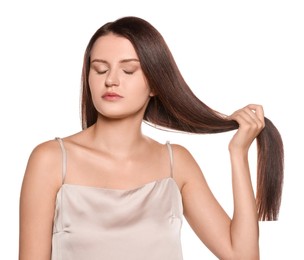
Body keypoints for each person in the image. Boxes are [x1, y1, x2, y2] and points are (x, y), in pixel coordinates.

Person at [19, 16, 284, 260]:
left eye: (129, 70)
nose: (111, 80)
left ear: (155, 83)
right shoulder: (51, 160)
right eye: (100, 69)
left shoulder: (175, 163)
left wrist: (238, 154)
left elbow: (243, 255)